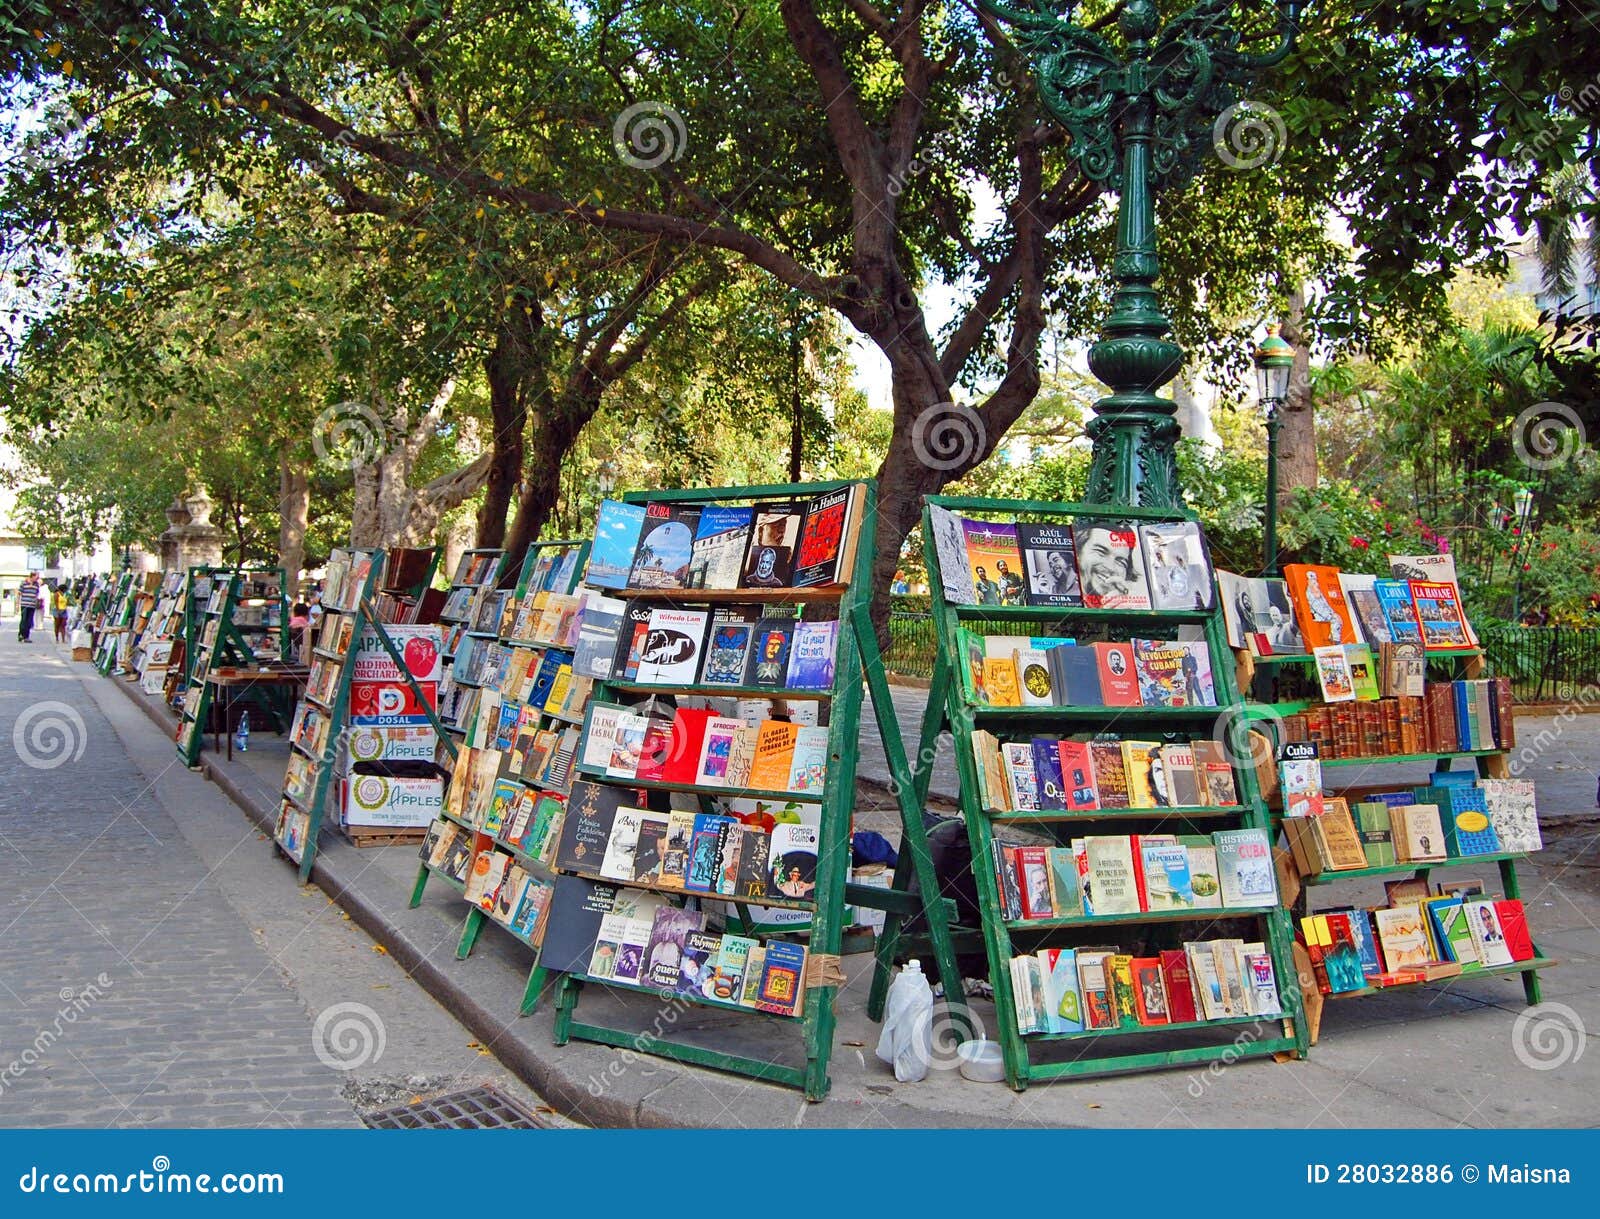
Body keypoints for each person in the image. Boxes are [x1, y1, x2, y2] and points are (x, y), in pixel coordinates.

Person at [16, 572, 42, 642]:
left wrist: (36, 602)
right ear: (32, 576)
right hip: (24, 604)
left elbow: (36, 594)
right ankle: (21, 635)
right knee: (23, 620)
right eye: (36, 577)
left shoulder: (36, 584)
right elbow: (19, 594)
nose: (37, 579)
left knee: (29, 621)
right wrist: (17, 605)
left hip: (32, 605)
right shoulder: (24, 583)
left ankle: (26, 636)